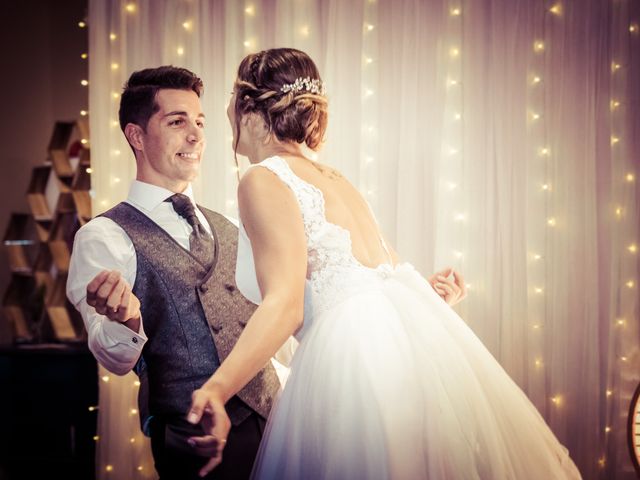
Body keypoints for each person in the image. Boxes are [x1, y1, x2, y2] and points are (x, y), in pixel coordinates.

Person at [186, 48, 583, 479]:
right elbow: (380, 275)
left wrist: (217, 389)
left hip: (351, 366)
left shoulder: (263, 178)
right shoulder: (336, 179)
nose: (224, 110)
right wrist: (428, 295)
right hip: (396, 362)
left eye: (229, 97)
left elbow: (286, 303)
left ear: (247, 106)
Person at [66, 66, 284, 480]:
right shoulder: (103, 236)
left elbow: (273, 310)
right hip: (195, 439)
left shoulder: (229, 225)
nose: (197, 134)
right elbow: (112, 357)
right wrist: (125, 318)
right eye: (177, 121)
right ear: (136, 137)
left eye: (200, 121)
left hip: (277, 421)